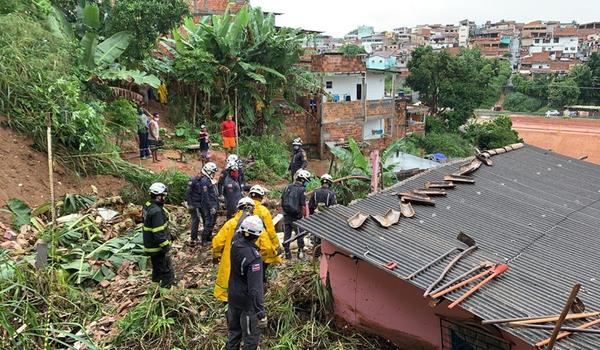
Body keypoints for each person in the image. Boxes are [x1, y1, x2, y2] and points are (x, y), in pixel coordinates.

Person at [226, 215, 267, 350]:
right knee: (250, 340)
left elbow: (238, 230)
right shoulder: (254, 258)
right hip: (246, 305)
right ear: (259, 234)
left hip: (232, 299)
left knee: (233, 334)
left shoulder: (235, 244)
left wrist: (244, 214)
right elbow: (255, 289)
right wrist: (260, 313)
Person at [212, 197, 256, 302]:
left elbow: (217, 243)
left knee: (226, 278)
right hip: (247, 261)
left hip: (229, 259)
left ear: (238, 209)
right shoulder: (254, 225)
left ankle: (225, 299)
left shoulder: (230, 223)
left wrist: (216, 256)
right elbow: (264, 244)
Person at [142, 182, 174, 287]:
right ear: (158, 196)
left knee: (156, 272)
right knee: (166, 273)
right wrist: (167, 247)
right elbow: (159, 234)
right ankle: (166, 294)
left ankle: (155, 290)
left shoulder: (148, 206)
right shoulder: (156, 212)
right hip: (157, 249)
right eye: (163, 196)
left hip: (151, 246)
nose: (164, 198)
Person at [249, 185, 282, 282]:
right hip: (260, 241)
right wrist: (276, 244)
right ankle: (260, 280)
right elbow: (270, 230)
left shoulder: (244, 208)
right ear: (261, 197)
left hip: (245, 241)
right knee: (263, 261)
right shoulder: (264, 211)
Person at [281, 169, 310, 260]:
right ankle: (300, 253)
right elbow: (303, 205)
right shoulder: (302, 190)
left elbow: (282, 200)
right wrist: (304, 216)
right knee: (299, 235)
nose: (306, 183)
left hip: (286, 215)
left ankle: (287, 254)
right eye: (306, 181)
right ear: (302, 179)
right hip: (297, 217)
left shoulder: (287, 187)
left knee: (287, 234)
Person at [199, 162, 219, 245]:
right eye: (213, 172)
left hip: (212, 204)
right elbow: (206, 196)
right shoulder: (204, 181)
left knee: (213, 221)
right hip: (207, 206)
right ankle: (204, 240)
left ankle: (209, 236)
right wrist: (211, 207)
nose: (214, 174)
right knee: (208, 222)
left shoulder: (208, 180)